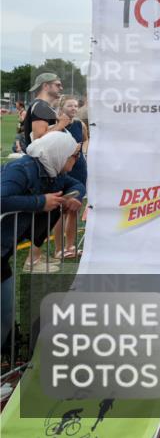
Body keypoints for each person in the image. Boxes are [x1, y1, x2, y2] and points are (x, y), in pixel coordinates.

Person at [2, 132, 85, 347]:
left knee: (6, 310)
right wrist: (40, 202)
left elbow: (76, 183)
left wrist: (74, 195)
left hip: (4, 251)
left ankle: (8, 351)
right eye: (73, 155)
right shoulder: (21, 169)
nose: (76, 160)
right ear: (58, 153)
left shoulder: (51, 171)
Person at [19, 73, 71, 268]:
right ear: (46, 85)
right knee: (42, 214)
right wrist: (61, 125)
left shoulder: (43, 106)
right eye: (57, 84)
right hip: (42, 168)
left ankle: (34, 259)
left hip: (46, 168)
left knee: (45, 214)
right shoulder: (40, 106)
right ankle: (33, 261)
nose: (61, 87)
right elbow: (40, 137)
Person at [52, 96, 87, 260]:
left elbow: (85, 140)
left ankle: (70, 248)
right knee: (59, 210)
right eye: (70, 105)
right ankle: (59, 250)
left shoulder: (80, 124)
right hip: (62, 169)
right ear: (61, 106)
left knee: (74, 209)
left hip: (79, 168)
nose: (74, 108)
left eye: (75, 105)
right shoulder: (56, 124)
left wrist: (83, 151)